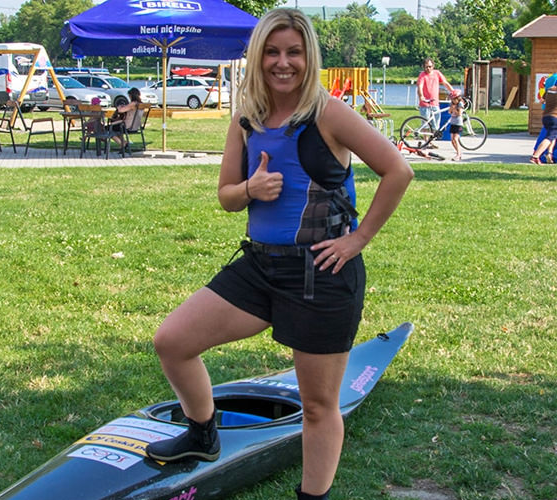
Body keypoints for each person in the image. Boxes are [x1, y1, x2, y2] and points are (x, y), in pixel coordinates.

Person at [144, 8, 414, 500]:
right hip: (260, 267)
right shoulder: (246, 120)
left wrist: (358, 239)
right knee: (172, 341)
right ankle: (203, 435)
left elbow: (398, 171)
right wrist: (251, 187)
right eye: (272, 51)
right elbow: (226, 196)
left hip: (322, 275)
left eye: (293, 52)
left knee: (316, 406)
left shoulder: (328, 113)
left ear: (309, 56)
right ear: (257, 56)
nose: (282, 62)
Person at [417, 58, 455, 132]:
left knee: (436, 125)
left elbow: (445, 83)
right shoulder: (422, 75)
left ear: (433, 66)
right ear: (424, 67)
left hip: (435, 103)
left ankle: (431, 140)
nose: (428, 68)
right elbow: (420, 86)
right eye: (426, 67)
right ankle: (426, 141)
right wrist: (421, 96)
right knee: (426, 124)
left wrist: (453, 92)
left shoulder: (437, 73)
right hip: (425, 103)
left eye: (430, 66)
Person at [107, 87, 142, 153]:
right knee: (116, 128)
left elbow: (121, 110)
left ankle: (123, 144)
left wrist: (119, 107)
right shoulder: (140, 104)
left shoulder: (133, 104)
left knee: (108, 129)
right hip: (136, 126)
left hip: (128, 126)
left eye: (129, 96)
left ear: (131, 95)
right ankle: (124, 143)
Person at [448, 89, 464, 161]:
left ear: (458, 98)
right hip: (453, 123)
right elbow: (449, 112)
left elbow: (460, 114)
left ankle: (458, 154)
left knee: (455, 139)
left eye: (454, 99)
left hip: (458, 123)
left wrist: (455, 110)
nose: (453, 101)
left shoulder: (460, 104)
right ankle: (459, 152)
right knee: (452, 140)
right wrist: (451, 109)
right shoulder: (452, 104)